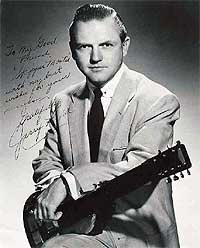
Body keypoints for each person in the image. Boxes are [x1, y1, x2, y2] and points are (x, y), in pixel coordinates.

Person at [33, 3, 180, 248]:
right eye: (84, 46)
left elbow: (139, 167)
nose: (95, 57)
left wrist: (69, 182)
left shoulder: (157, 100)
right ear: (72, 50)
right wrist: (57, 189)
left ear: (125, 46)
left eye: (106, 45)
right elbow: (46, 162)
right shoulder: (61, 102)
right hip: (81, 228)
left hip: (139, 234)